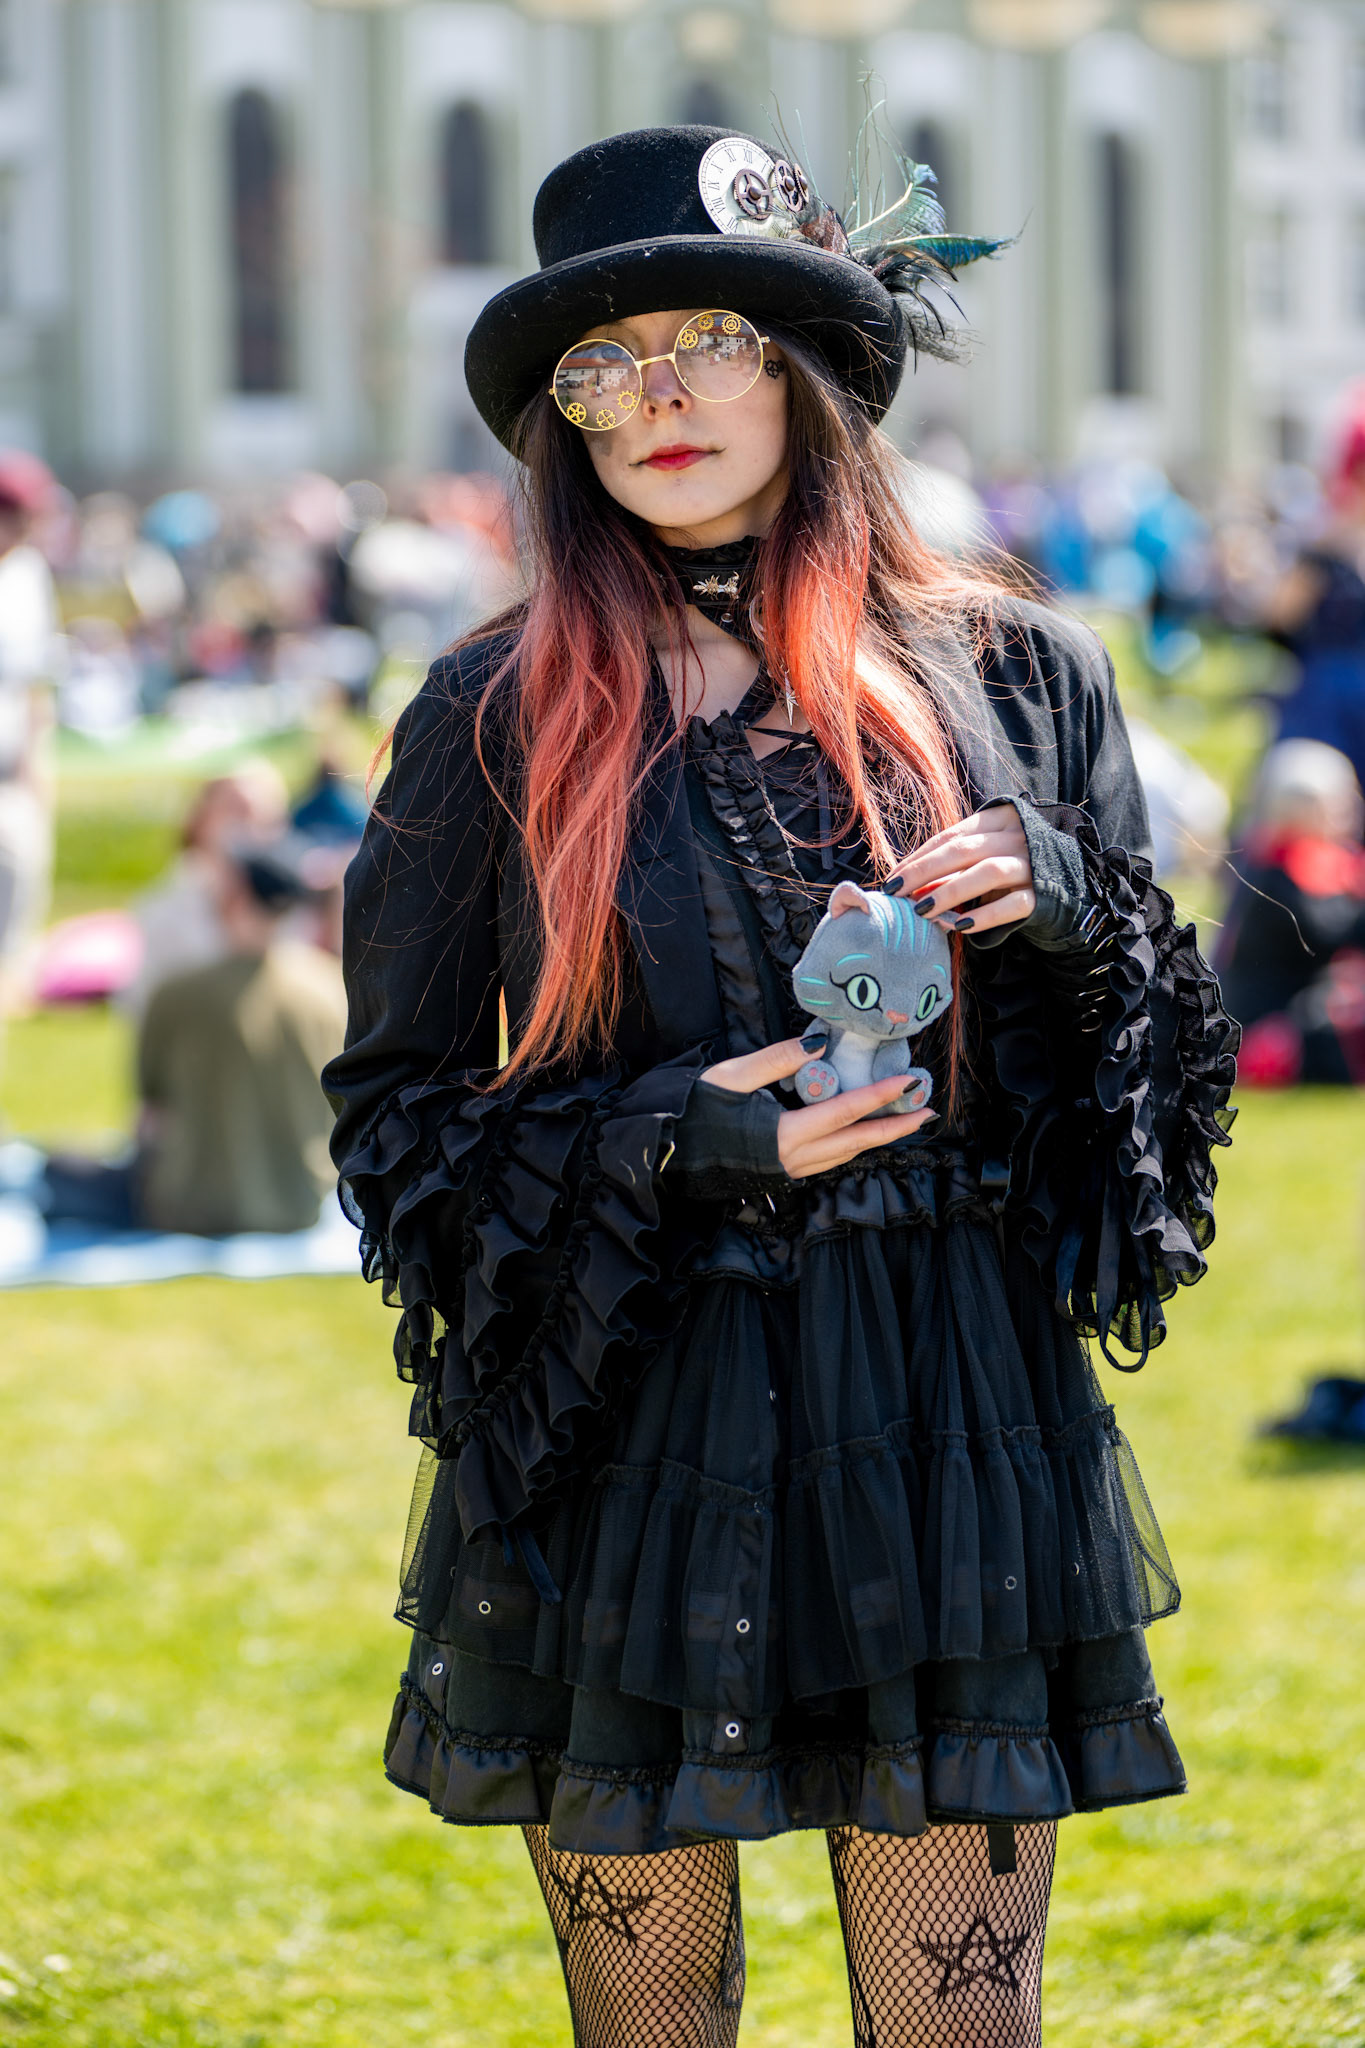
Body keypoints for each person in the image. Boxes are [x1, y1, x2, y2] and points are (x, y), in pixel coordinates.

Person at [324, 127, 1238, 2048]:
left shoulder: (1018, 672)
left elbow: (1142, 1141)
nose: (656, 399)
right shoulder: (492, 710)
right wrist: (680, 1136)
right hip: (629, 1431)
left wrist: (1075, 910)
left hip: (945, 1417)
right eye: (602, 366)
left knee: (958, 2026)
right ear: (559, 422)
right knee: (652, 2025)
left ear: (808, 371)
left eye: (708, 345)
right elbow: (397, 1127)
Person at [44, 841, 346, 1235]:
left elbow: (150, 1112)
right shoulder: (331, 988)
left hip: (190, 1206)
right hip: (304, 1202)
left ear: (234, 897)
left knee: (59, 1171)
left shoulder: (178, 994)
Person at [1217, 738, 1365, 1085]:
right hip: (1270, 1025)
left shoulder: (1321, 860)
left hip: (1302, 1008)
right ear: (1303, 811)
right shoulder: (1279, 869)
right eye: (1340, 802)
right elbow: (1325, 934)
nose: (1353, 810)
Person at [119, 760, 289, 1021]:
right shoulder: (164, 908)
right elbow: (143, 1004)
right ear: (201, 821)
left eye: (264, 816)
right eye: (235, 810)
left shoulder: (296, 901)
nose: (247, 826)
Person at [0, 451, 60, 1011]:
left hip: (13, 757)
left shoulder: (28, 573)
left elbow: (37, 678)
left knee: (19, 868)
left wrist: (39, 756)